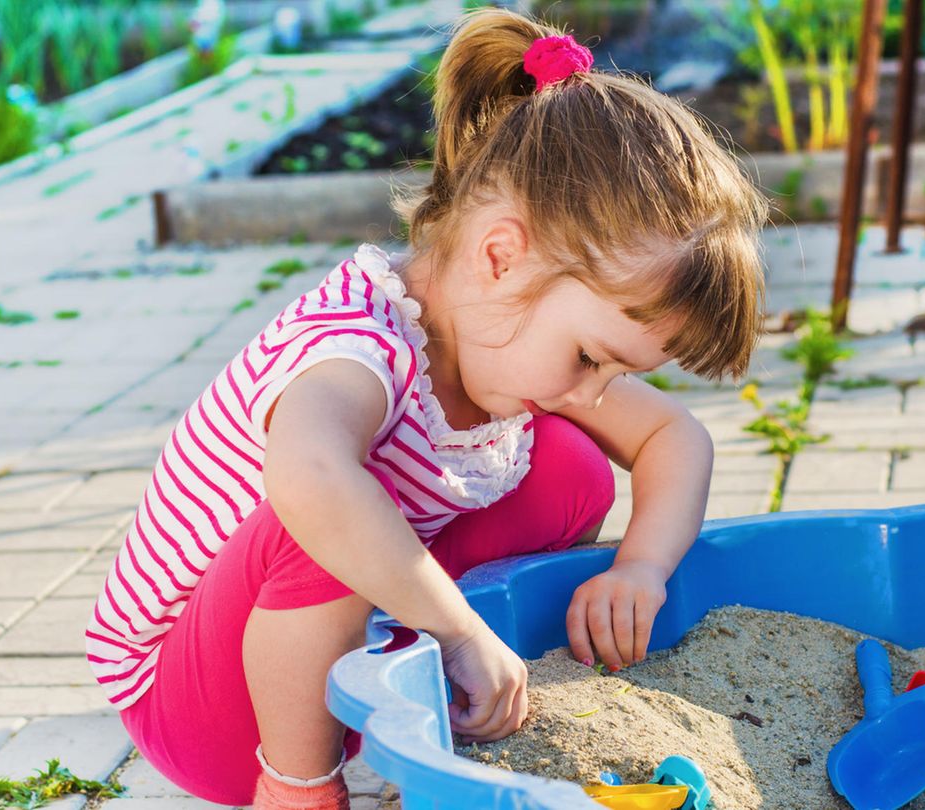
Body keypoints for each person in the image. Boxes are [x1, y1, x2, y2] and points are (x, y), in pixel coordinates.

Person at [85, 7, 768, 808]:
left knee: (569, 466)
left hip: (329, 643)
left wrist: (642, 570)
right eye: (589, 356)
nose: (593, 390)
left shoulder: (498, 330)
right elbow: (309, 483)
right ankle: (298, 781)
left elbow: (671, 435)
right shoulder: (355, 345)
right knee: (329, 509)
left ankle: (433, 673)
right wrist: (459, 629)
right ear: (500, 256)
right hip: (199, 699)